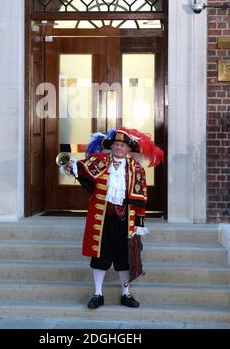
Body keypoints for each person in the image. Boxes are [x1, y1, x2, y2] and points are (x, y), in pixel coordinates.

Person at [61, 126, 163, 310]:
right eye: (116, 144)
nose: (118, 148)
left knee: (125, 258)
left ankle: (126, 294)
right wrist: (70, 166)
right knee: (99, 256)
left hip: (126, 220)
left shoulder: (137, 170)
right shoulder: (100, 161)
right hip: (102, 218)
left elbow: (141, 200)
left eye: (122, 146)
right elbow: (82, 169)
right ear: (111, 146)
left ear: (128, 149)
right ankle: (98, 294)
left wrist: (139, 224)